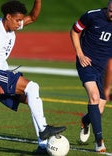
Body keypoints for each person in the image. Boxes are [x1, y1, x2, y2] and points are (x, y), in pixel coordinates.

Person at [0, 0, 66, 154]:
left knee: (33, 98)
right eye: (17, 20)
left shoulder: (9, 25)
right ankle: (44, 130)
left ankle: (42, 146)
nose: (19, 24)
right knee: (32, 87)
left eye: (20, 20)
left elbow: (33, 17)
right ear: (8, 17)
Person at [70, 0, 112, 152]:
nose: (111, 14)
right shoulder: (92, 16)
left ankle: (85, 121)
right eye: (111, 10)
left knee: (99, 110)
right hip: (86, 64)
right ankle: (99, 141)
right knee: (94, 97)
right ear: (108, 6)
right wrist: (80, 54)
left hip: (105, 69)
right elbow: (74, 31)